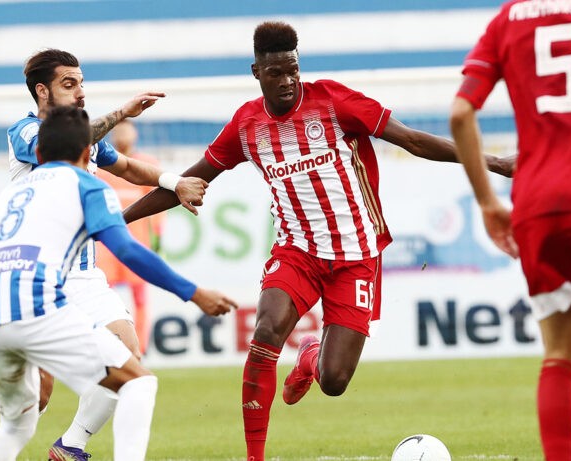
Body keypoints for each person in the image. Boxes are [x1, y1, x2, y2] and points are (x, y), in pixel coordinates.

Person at [122, 21, 515, 461]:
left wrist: (496, 163)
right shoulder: (246, 126)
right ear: (256, 72)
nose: (287, 81)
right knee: (266, 332)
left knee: (335, 381)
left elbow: (412, 140)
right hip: (297, 252)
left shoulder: (333, 101)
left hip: (356, 255)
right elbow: (188, 181)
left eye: (293, 70)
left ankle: (310, 357)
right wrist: (116, 221)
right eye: (276, 73)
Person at [0, 105, 236, 461]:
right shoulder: (87, 185)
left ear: (39, 154)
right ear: (87, 153)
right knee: (137, 382)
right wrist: (194, 293)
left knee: (15, 428)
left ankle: (70, 446)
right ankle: (75, 443)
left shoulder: (13, 192)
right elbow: (128, 250)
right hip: (35, 302)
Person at [7, 48, 209, 460]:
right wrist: (122, 113)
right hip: (37, 277)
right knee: (37, 397)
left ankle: (71, 446)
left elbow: (130, 168)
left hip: (83, 277)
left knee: (128, 359)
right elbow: (63, 144)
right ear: (42, 91)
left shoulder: (89, 142)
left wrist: (175, 181)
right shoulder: (25, 132)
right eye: (69, 84)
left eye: (81, 83)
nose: (81, 92)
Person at [449, 2, 571, 460]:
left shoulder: (508, 19)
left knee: (559, 354)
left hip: (537, 202)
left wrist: (488, 202)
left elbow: (460, 114)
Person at [95, 119, 164, 354]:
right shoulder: (101, 167)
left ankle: (139, 350)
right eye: (118, 130)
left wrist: (157, 237)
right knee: (103, 294)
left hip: (137, 242)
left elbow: (158, 209)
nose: (122, 134)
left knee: (141, 296)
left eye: (127, 130)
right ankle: (108, 345)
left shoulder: (147, 164)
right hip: (106, 246)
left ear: (135, 134)